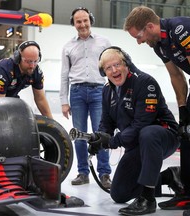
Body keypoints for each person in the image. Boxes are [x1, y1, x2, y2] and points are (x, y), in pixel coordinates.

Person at [87, 46, 180, 215]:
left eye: (117, 65)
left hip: (163, 137)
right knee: (119, 194)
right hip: (138, 144)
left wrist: (112, 141)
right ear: (104, 72)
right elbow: (106, 122)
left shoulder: (145, 82)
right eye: (108, 68)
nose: (114, 70)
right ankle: (169, 176)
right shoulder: (107, 91)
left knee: (148, 133)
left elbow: (141, 124)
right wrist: (99, 139)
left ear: (126, 64)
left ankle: (148, 199)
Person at [123, 6, 190, 215]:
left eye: (138, 36)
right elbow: (176, 76)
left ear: (149, 26)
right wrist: (183, 109)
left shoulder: (180, 29)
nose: (138, 41)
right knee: (186, 134)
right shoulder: (159, 46)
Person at [60, 7, 112, 188]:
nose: (82, 24)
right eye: (78, 21)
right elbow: (64, 75)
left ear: (91, 20)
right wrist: (64, 101)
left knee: (101, 133)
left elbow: (112, 67)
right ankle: (83, 173)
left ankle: (105, 173)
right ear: (73, 24)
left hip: (100, 91)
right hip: (77, 92)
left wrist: (114, 93)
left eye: (85, 20)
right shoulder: (68, 46)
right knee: (79, 134)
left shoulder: (104, 42)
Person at [0, 40, 53, 119]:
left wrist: (52, 123)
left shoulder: (36, 72)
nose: (32, 66)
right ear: (18, 58)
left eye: (35, 61)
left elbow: (40, 99)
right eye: (28, 61)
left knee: (21, 116)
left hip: (10, 95)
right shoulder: (4, 70)